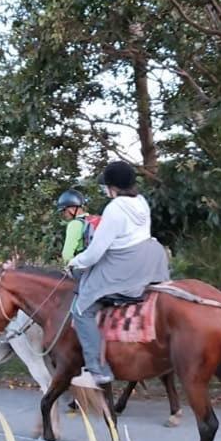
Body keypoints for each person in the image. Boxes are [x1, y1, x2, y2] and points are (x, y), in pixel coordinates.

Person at [67, 161, 170, 386]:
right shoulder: (141, 202)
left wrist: (75, 261)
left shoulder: (114, 208)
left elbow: (95, 253)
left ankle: (97, 369)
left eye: (106, 186)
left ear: (113, 186)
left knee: (81, 309)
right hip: (151, 260)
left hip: (125, 265)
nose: (105, 190)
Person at [56, 189, 100, 265]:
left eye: (64, 210)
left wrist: (68, 267)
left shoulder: (75, 224)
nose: (63, 214)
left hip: (85, 267)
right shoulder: (92, 220)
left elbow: (67, 254)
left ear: (72, 209)